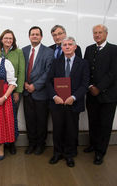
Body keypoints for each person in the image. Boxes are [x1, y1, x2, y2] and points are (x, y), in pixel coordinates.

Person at [46, 37, 89, 167]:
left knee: (71, 130)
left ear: (75, 47)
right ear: (62, 47)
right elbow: (48, 82)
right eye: (65, 45)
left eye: (70, 44)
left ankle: (69, 155)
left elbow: (85, 84)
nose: (67, 47)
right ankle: (57, 153)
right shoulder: (55, 62)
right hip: (57, 103)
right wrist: (54, 96)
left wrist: (74, 97)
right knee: (57, 129)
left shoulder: (83, 63)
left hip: (73, 103)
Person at [84, 24, 117, 165]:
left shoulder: (114, 50)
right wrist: (91, 86)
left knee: (105, 125)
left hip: (108, 96)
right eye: (95, 33)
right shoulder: (89, 49)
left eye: (100, 32)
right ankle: (93, 145)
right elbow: (86, 70)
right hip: (91, 94)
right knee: (93, 122)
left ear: (106, 34)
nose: (97, 35)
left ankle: (100, 152)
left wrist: (99, 87)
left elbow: (113, 73)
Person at [22, 26, 54, 155]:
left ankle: (41, 144)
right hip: (26, 91)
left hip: (41, 92)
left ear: (41, 37)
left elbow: (48, 72)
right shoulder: (23, 51)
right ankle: (32, 143)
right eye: (32, 34)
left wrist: (35, 86)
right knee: (29, 120)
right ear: (29, 36)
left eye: (37, 34)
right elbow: (20, 69)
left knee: (41, 120)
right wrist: (24, 82)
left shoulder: (48, 52)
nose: (34, 36)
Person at [0, 29, 25, 154]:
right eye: (6, 38)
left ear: (13, 40)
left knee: (12, 117)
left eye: (10, 38)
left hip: (13, 91)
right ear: (1, 39)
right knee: (1, 117)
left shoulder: (18, 52)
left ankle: (12, 142)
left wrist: (17, 91)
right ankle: (1, 142)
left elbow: (21, 72)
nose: (8, 40)